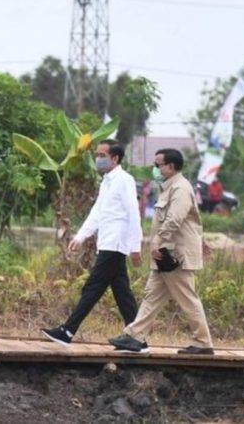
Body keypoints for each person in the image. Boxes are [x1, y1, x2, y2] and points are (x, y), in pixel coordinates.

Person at [109, 148, 214, 355]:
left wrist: (158, 242)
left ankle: (203, 342)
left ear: (171, 167)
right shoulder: (169, 188)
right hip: (165, 256)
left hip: (175, 256)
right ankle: (135, 336)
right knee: (152, 296)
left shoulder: (180, 189)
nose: (154, 169)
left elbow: (174, 219)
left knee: (187, 298)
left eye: (158, 165)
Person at [41, 139, 142, 346]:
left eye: (102, 156)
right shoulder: (107, 182)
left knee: (92, 287)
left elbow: (134, 213)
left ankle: (67, 331)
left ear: (115, 158)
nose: (98, 159)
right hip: (106, 242)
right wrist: (80, 237)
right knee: (122, 293)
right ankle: (137, 338)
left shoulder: (124, 180)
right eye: (96, 155)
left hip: (116, 243)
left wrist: (136, 246)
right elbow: (97, 213)